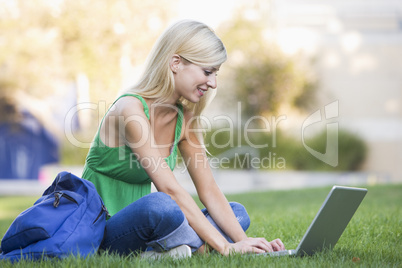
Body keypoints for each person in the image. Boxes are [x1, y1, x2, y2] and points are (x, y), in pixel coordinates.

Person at [82, 19, 285, 258]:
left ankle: (166, 251)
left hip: (152, 227)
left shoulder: (185, 119)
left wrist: (246, 242)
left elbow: (208, 189)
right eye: (207, 72)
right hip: (104, 231)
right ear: (176, 63)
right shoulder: (130, 109)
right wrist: (225, 246)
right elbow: (168, 189)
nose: (213, 83)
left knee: (237, 213)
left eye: (216, 73)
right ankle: (193, 248)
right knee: (160, 204)